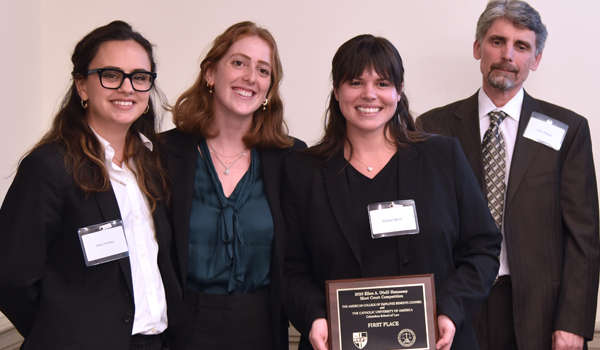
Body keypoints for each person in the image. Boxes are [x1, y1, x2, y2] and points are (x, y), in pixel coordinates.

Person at [282, 34, 502, 350]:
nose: (369, 94)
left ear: (398, 92)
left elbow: (482, 248)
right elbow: (290, 268)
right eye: (355, 82)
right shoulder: (303, 171)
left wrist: (450, 311)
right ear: (337, 91)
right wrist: (315, 317)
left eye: (383, 83)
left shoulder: (443, 157)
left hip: (438, 342)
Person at [417, 1, 600, 349]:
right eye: (497, 41)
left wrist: (573, 321)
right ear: (477, 47)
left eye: (522, 46)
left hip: (538, 314)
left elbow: (584, 237)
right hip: (453, 307)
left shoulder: (569, 130)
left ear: (536, 59)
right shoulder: (431, 128)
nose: (508, 56)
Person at [0, 21, 184, 350]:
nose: (127, 88)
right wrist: (61, 334)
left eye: (140, 77)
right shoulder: (49, 167)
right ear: (82, 86)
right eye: (111, 75)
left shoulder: (154, 164)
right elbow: (10, 277)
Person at [162, 21, 306, 350]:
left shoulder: (292, 159)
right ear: (210, 73)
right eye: (239, 62)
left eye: (263, 70)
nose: (250, 78)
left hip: (263, 327)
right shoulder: (163, 154)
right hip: (181, 329)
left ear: (269, 88)